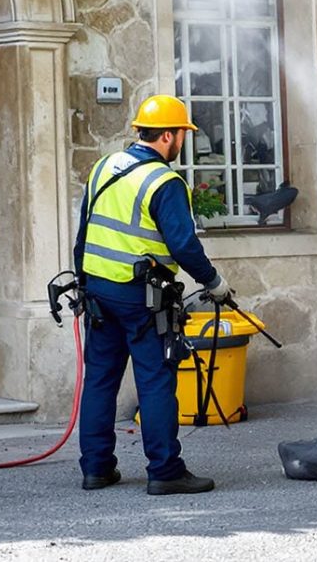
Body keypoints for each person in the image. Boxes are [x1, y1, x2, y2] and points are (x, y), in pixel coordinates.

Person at [74, 93, 227, 496]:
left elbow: (84, 231)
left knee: (100, 381)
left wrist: (83, 283)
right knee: (156, 380)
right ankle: (165, 471)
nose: (183, 142)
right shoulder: (165, 181)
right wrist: (213, 282)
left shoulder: (105, 165)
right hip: (142, 298)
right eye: (183, 135)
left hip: (98, 292)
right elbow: (184, 245)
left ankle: (96, 469)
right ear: (169, 136)